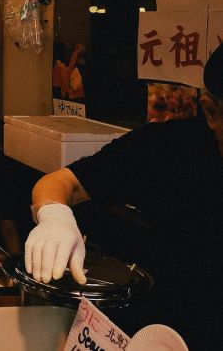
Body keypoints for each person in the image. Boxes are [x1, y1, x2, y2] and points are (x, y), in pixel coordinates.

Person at [24, 43, 223, 348]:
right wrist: (55, 216)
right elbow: (63, 183)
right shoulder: (169, 147)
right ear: (211, 111)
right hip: (157, 335)